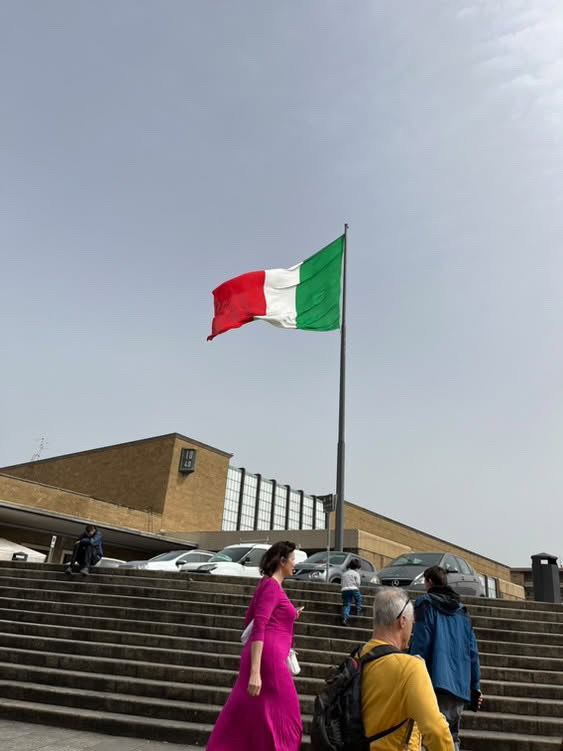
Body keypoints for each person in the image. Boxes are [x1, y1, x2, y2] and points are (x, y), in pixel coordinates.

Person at [206, 541, 303, 751]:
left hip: (266, 657)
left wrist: (289, 615)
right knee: (287, 717)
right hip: (268, 661)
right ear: (282, 561)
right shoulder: (271, 586)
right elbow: (258, 626)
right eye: (293, 559)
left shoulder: (267, 585)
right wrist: (255, 672)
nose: (295, 564)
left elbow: (250, 620)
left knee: (247, 714)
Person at [361, 587, 454, 751]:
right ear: (402, 621)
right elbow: (436, 731)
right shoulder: (410, 668)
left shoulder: (356, 659)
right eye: (412, 622)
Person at [410, 566, 482, 751]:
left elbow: (420, 644)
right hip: (459, 687)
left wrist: (409, 675)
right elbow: (473, 653)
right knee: (451, 738)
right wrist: (475, 687)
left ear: (429, 582)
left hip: (433, 683)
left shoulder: (425, 604)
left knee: (427, 739)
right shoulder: (462, 613)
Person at [341, 557, 362, 625]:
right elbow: (358, 583)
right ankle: (358, 609)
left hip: (344, 590)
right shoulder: (356, 574)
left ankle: (345, 618)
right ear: (357, 568)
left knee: (346, 604)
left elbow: (342, 583)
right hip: (354, 589)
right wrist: (357, 588)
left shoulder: (344, 574)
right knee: (359, 599)